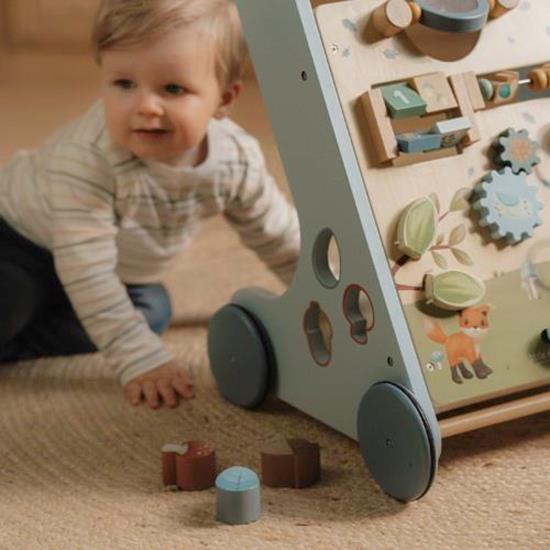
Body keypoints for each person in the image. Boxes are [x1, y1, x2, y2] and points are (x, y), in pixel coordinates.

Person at [0, 0, 300, 410]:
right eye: (124, 84)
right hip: (19, 240)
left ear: (224, 99)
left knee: (152, 313)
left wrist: (319, 294)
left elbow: (278, 236)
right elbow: (86, 268)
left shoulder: (235, 162)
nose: (145, 106)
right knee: (11, 301)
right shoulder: (88, 158)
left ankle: (27, 334)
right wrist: (138, 359)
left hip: (115, 268)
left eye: (172, 89)